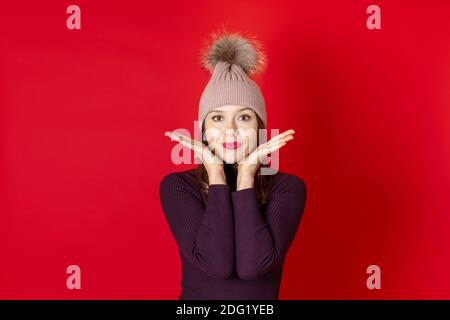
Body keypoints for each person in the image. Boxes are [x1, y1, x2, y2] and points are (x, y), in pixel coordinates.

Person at [159, 29, 307, 300]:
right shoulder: (179, 186)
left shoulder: (287, 188)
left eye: (243, 118)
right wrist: (216, 173)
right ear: (203, 129)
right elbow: (217, 265)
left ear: (259, 126)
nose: (230, 130)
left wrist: (247, 176)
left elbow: (253, 266)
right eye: (217, 118)